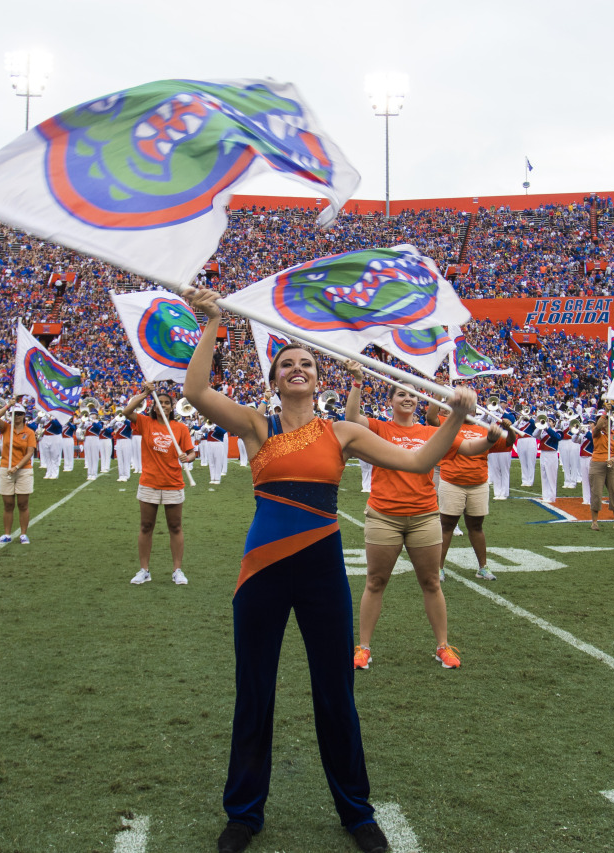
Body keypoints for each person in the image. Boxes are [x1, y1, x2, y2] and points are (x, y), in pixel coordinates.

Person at [183, 288, 475, 853]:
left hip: (320, 571)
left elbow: (417, 461)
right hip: (261, 571)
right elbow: (195, 391)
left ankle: (356, 812)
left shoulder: (343, 433)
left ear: (320, 379)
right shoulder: (255, 426)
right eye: (286, 364)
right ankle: (243, 813)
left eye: (307, 364)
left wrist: (456, 416)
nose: (297, 369)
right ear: (273, 380)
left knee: (335, 691)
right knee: (255, 691)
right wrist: (215, 322)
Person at [345, 364, 498, 672]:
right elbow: (351, 420)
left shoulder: (430, 432)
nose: (408, 399)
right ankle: (363, 647)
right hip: (383, 515)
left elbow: (469, 447)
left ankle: (442, 646)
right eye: (401, 394)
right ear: (390, 401)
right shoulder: (379, 428)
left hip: (425, 515)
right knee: (375, 581)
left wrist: (491, 439)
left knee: (430, 582)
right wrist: (358, 383)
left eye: (412, 395)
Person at [426, 396, 511, 584]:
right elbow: (431, 417)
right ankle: (438, 568)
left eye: (470, 408)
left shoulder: (484, 429)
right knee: (446, 526)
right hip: (452, 481)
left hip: (478, 483)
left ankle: (483, 567)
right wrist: (437, 395)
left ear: (475, 411)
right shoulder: (449, 424)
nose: (468, 411)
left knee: (476, 526)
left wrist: (509, 428)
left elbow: (508, 443)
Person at [122, 383, 197, 586]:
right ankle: (144, 570)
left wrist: (187, 458)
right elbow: (126, 411)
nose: (163, 405)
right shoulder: (145, 422)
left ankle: (177, 570)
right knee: (146, 526)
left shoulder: (180, 428)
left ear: (172, 407)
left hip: (173, 483)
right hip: (149, 482)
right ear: (153, 406)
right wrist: (146, 393)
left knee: (175, 526)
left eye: (166, 403)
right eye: (159, 403)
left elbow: (191, 453)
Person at [0, 402, 37, 544]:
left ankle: (23, 534)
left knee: (23, 503)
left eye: (19, 414)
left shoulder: (29, 432)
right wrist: (7, 406)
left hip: (23, 470)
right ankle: (7, 534)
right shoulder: (6, 428)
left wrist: (17, 467)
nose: (16, 416)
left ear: (24, 416)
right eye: (13, 414)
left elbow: (30, 453)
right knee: (8, 503)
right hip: (6, 468)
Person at [587, 411, 614, 531]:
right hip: (597, 463)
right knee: (596, 493)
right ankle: (594, 522)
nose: (602, 421)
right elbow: (597, 427)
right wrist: (604, 412)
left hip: (612, 464)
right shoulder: (596, 432)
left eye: (604, 419)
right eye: (600, 419)